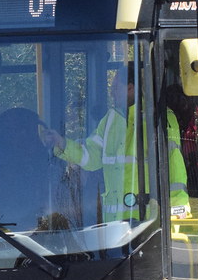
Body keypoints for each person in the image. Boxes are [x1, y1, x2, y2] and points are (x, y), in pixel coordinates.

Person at [40, 65, 190, 222]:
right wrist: (62, 143)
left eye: (115, 88)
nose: (111, 93)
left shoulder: (160, 119)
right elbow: (91, 158)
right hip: (115, 225)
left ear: (130, 88)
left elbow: (174, 162)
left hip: (148, 223)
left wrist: (178, 205)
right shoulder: (109, 120)